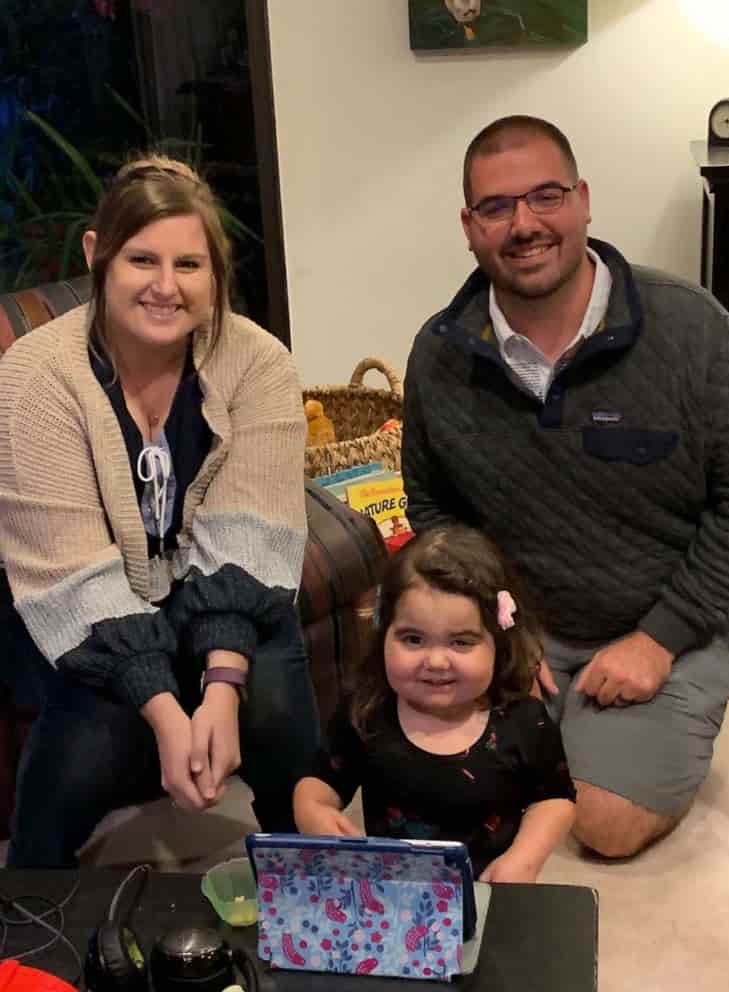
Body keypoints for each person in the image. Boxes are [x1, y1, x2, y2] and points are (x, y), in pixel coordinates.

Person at [401, 115, 729, 858]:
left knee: (603, 823)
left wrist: (660, 640)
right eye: (496, 207)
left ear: (584, 199)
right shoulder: (438, 355)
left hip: (666, 621)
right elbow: (434, 514)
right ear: (469, 226)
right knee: (417, 775)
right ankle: (556, 720)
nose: (524, 224)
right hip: (518, 624)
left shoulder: (694, 330)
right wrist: (496, 632)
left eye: (546, 196)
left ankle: (662, 716)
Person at [0, 155, 320, 868]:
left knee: (271, 694)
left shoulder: (259, 364)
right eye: (142, 259)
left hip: (215, 593)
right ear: (97, 255)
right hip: (82, 606)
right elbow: (71, 577)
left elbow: (249, 540)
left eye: (189, 264)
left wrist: (224, 687)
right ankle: (30, 895)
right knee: (93, 733)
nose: (166, 287)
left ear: (217, 271)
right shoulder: (32, 376)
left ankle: (311, 873)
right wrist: (166, 708)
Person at [293, 525, 576, 882]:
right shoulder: (366, 711)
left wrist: (525, 857)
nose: (437, 662)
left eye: (461, 642)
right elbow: (319, 784)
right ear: (383, 634)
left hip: (494, 892)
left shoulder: (524, 720)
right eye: (413, 639)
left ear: (498, 643)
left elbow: (555, 798)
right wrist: (311, 810)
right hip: (394, 898)